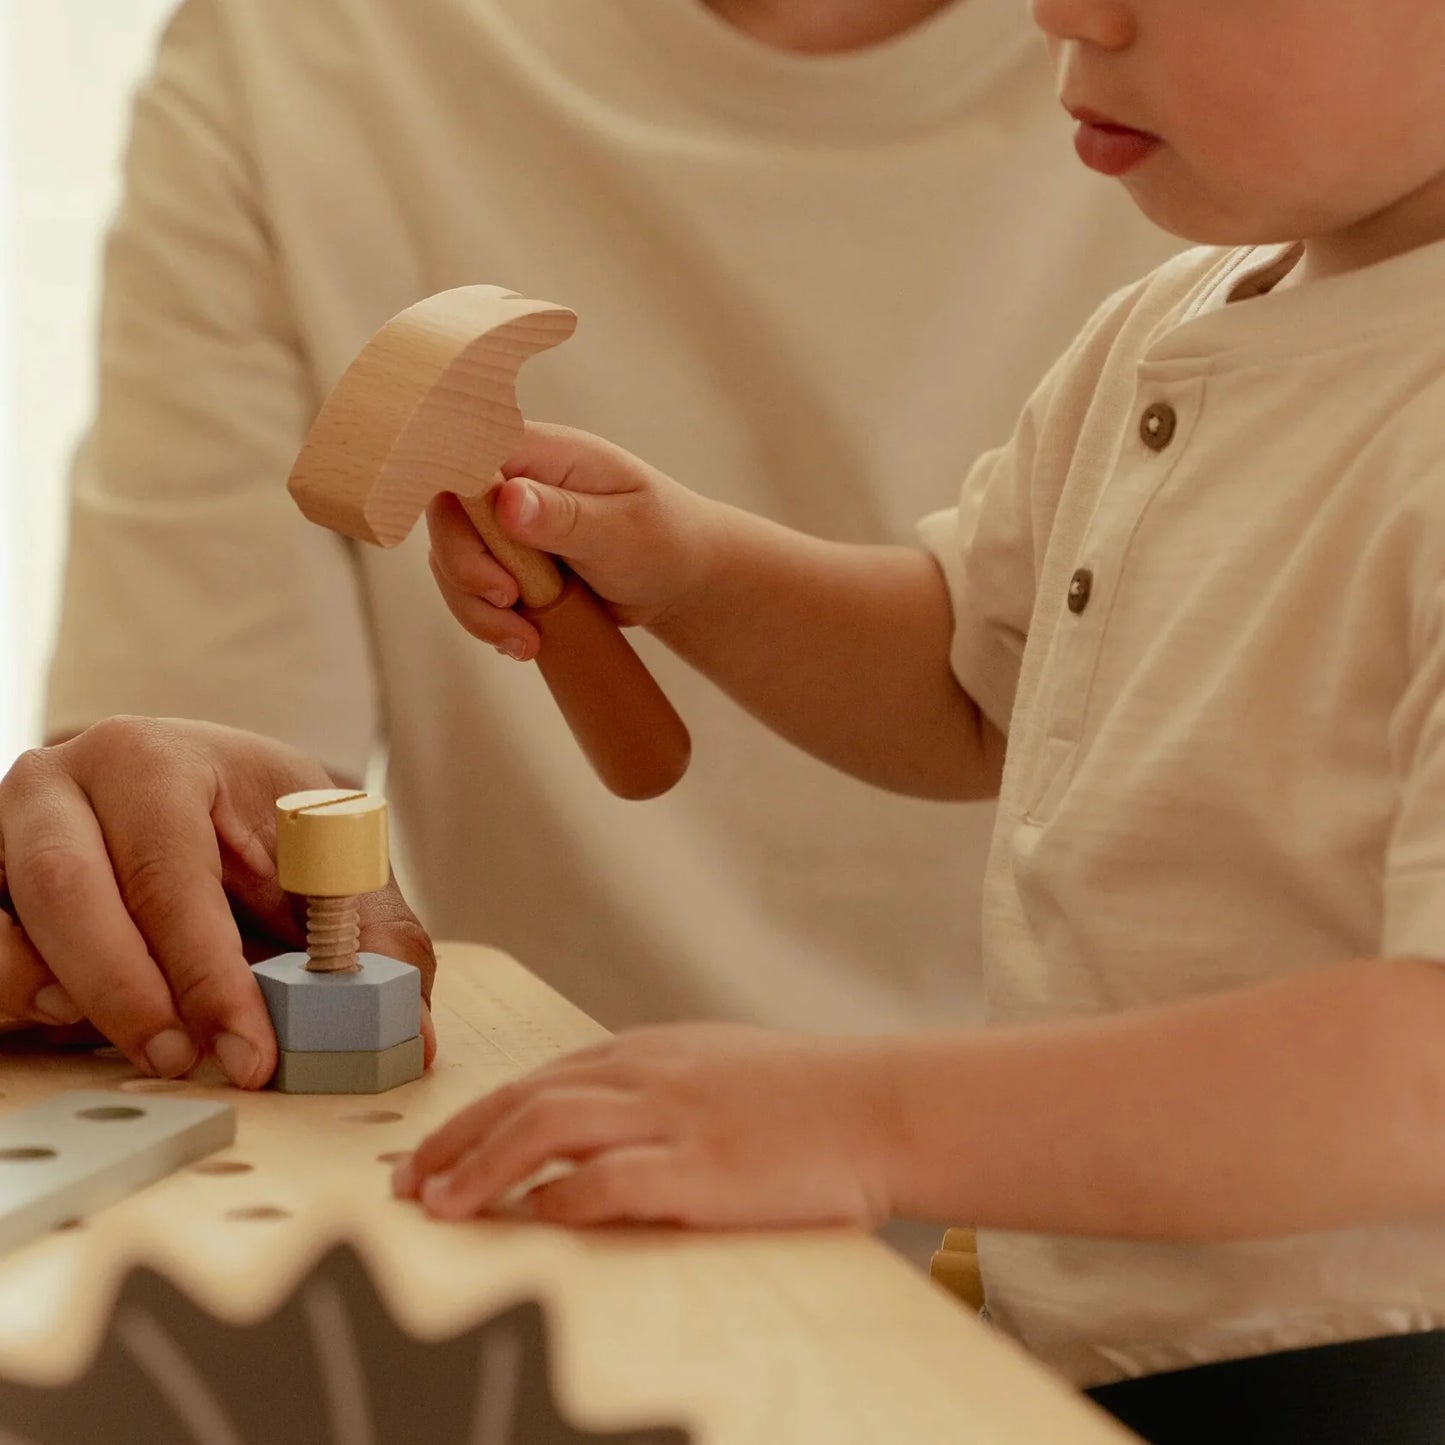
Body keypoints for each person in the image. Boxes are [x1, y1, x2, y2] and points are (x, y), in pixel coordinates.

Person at [388, 0, 1445, 1409]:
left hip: (1365, 1368)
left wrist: (858, 1119)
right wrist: (691, 568)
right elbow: (973, 680)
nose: (1062, 11)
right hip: (1101, 1348)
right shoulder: (1170, 322)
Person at [36, 0, 1177, 1072]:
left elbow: (972, 684)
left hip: (1117, 1163)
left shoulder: (1219, 176)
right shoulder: (293, 51)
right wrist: (128, 856)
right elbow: (968, 672)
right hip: (545, 1130)